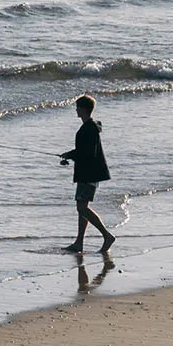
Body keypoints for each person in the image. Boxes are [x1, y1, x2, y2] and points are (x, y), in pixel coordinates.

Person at [56, 95, 115, 256]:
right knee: (82, 208)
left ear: (83, 109)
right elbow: (86, 152)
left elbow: (86, 153)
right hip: (90, 172)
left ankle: (107, 236)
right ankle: (79, 242)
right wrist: (71, 155)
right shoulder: (91, 127)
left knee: (82, 207)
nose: (76, 110)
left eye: (77, 107)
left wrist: (70, 155)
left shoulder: (88, 129)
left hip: (89, 173)